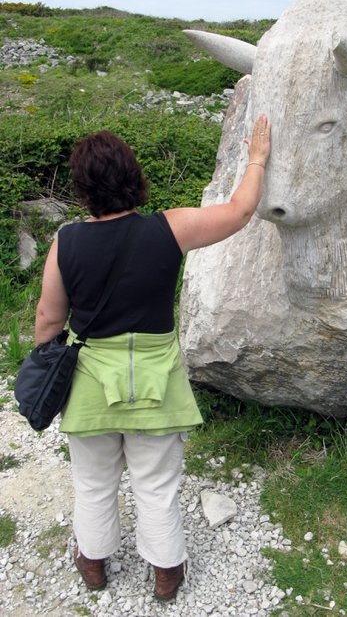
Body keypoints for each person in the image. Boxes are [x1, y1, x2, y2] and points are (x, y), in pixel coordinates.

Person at [34, 113, 271, 602]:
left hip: (90, 385)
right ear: (133, 175)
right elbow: (241, 211)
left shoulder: (66, 242)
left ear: (83, 188)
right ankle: (166, 572)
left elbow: (48, 319)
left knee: (94, 482)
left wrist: (46, 361)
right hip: (156, 383)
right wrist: (256, 158)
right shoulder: (172, 228)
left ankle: (94, 564)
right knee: (157, 483)